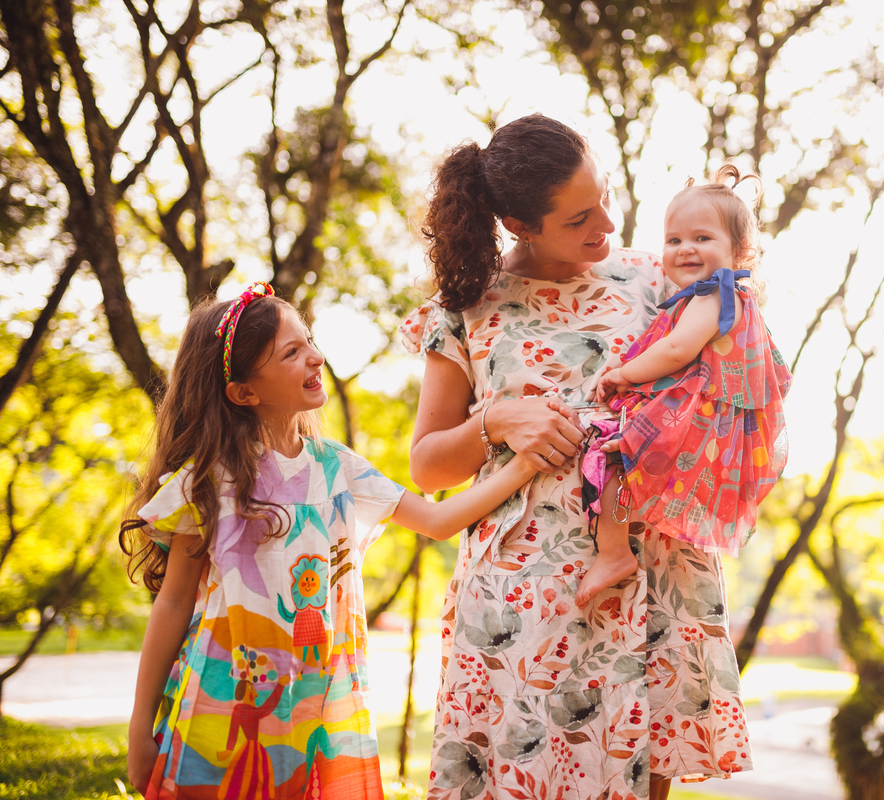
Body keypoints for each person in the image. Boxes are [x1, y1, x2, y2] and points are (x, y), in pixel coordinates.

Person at [401, 114, 753, 800]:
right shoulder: (466, 308)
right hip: (522, 602)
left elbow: (728, 378)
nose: (609, 227)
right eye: (581, 219)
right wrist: (495, 420)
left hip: (648, 581)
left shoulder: (659, 279)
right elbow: (427, 468)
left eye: (607, 200)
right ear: (520, 224)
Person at [120, 282, 541, 800]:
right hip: (225, 705)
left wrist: (525, 463)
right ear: (243, 392)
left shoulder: (336, 467)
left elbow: (439, 520)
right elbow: (174, 602)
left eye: (310, 340)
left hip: (320, 704)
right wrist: (141, 728)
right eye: (291, 353)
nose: (315, 356)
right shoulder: (211, 480)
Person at [575, 165, 791, 607]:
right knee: (617, 452)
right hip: (695, 414)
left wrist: (621, 374)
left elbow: (677, 351)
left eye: (702, 238)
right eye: (674, 240)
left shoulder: (714, 294)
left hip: (692, 417)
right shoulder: (712, 295)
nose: (684, 249)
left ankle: (613, 553)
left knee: (610, 450)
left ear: (740, 250)